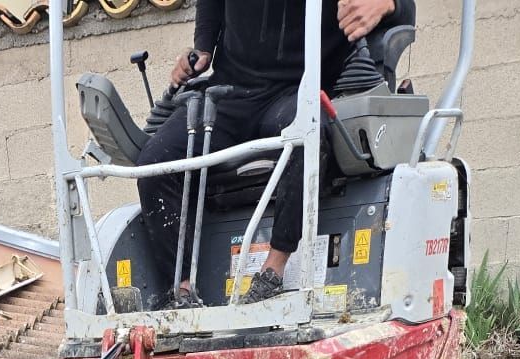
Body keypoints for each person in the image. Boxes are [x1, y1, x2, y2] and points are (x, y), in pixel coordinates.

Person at [137, 0, 395, 305]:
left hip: (299, 90)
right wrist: (203, 46)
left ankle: (272, 273)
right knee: (154, 163)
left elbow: (403, 9)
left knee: (307, 132)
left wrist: (388, 3)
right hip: (232, 91)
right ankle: (181, 293)